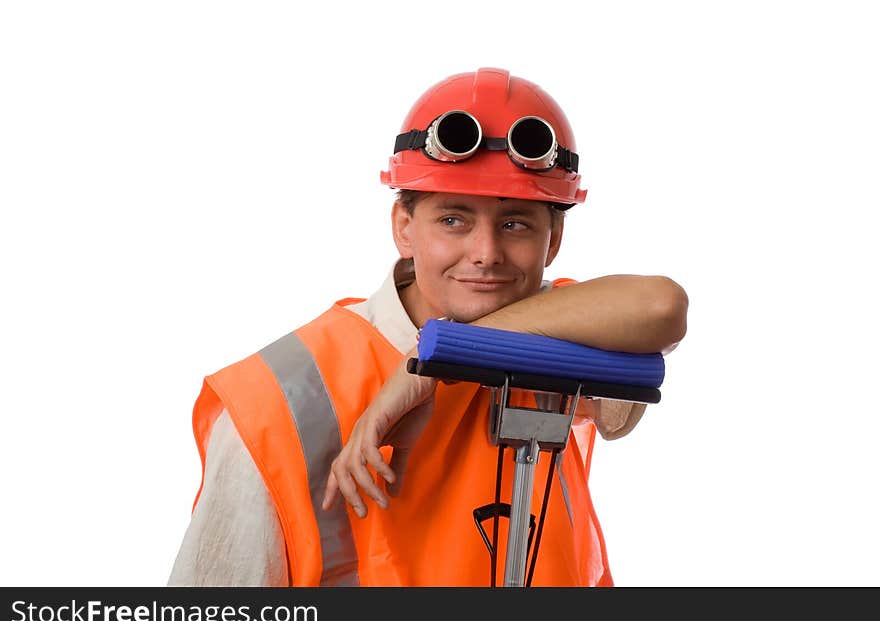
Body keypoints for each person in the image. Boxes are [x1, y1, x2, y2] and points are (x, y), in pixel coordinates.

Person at [168, 67, 688, 587]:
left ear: (552, 241)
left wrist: (426, 367)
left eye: (515, 224)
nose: (485, 254)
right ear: (404, 228)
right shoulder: (276, 399)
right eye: (453, 220)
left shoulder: (565, 332)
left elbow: (661, 306)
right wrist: (444, 353)